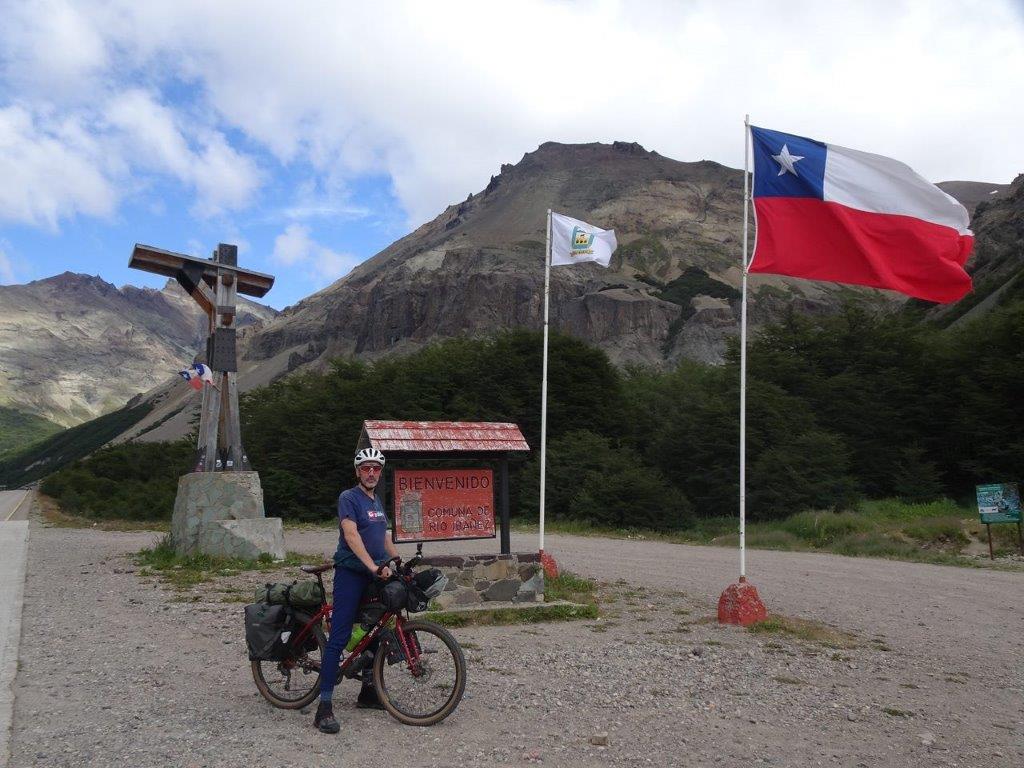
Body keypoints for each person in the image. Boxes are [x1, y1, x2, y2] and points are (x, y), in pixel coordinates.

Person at [314, 447, 401, 735]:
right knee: (338, 636)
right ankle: (323, 707)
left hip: (372, 574)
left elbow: (383, 537)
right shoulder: (348, 498)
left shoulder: (376, 501)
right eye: (366, 468)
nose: (372, 472)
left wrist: (397, 562)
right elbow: (351, 535)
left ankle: (368, 693)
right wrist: (372, 566)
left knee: (375, 630)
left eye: (376, 467)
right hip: (352, 572)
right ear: (357, 472)